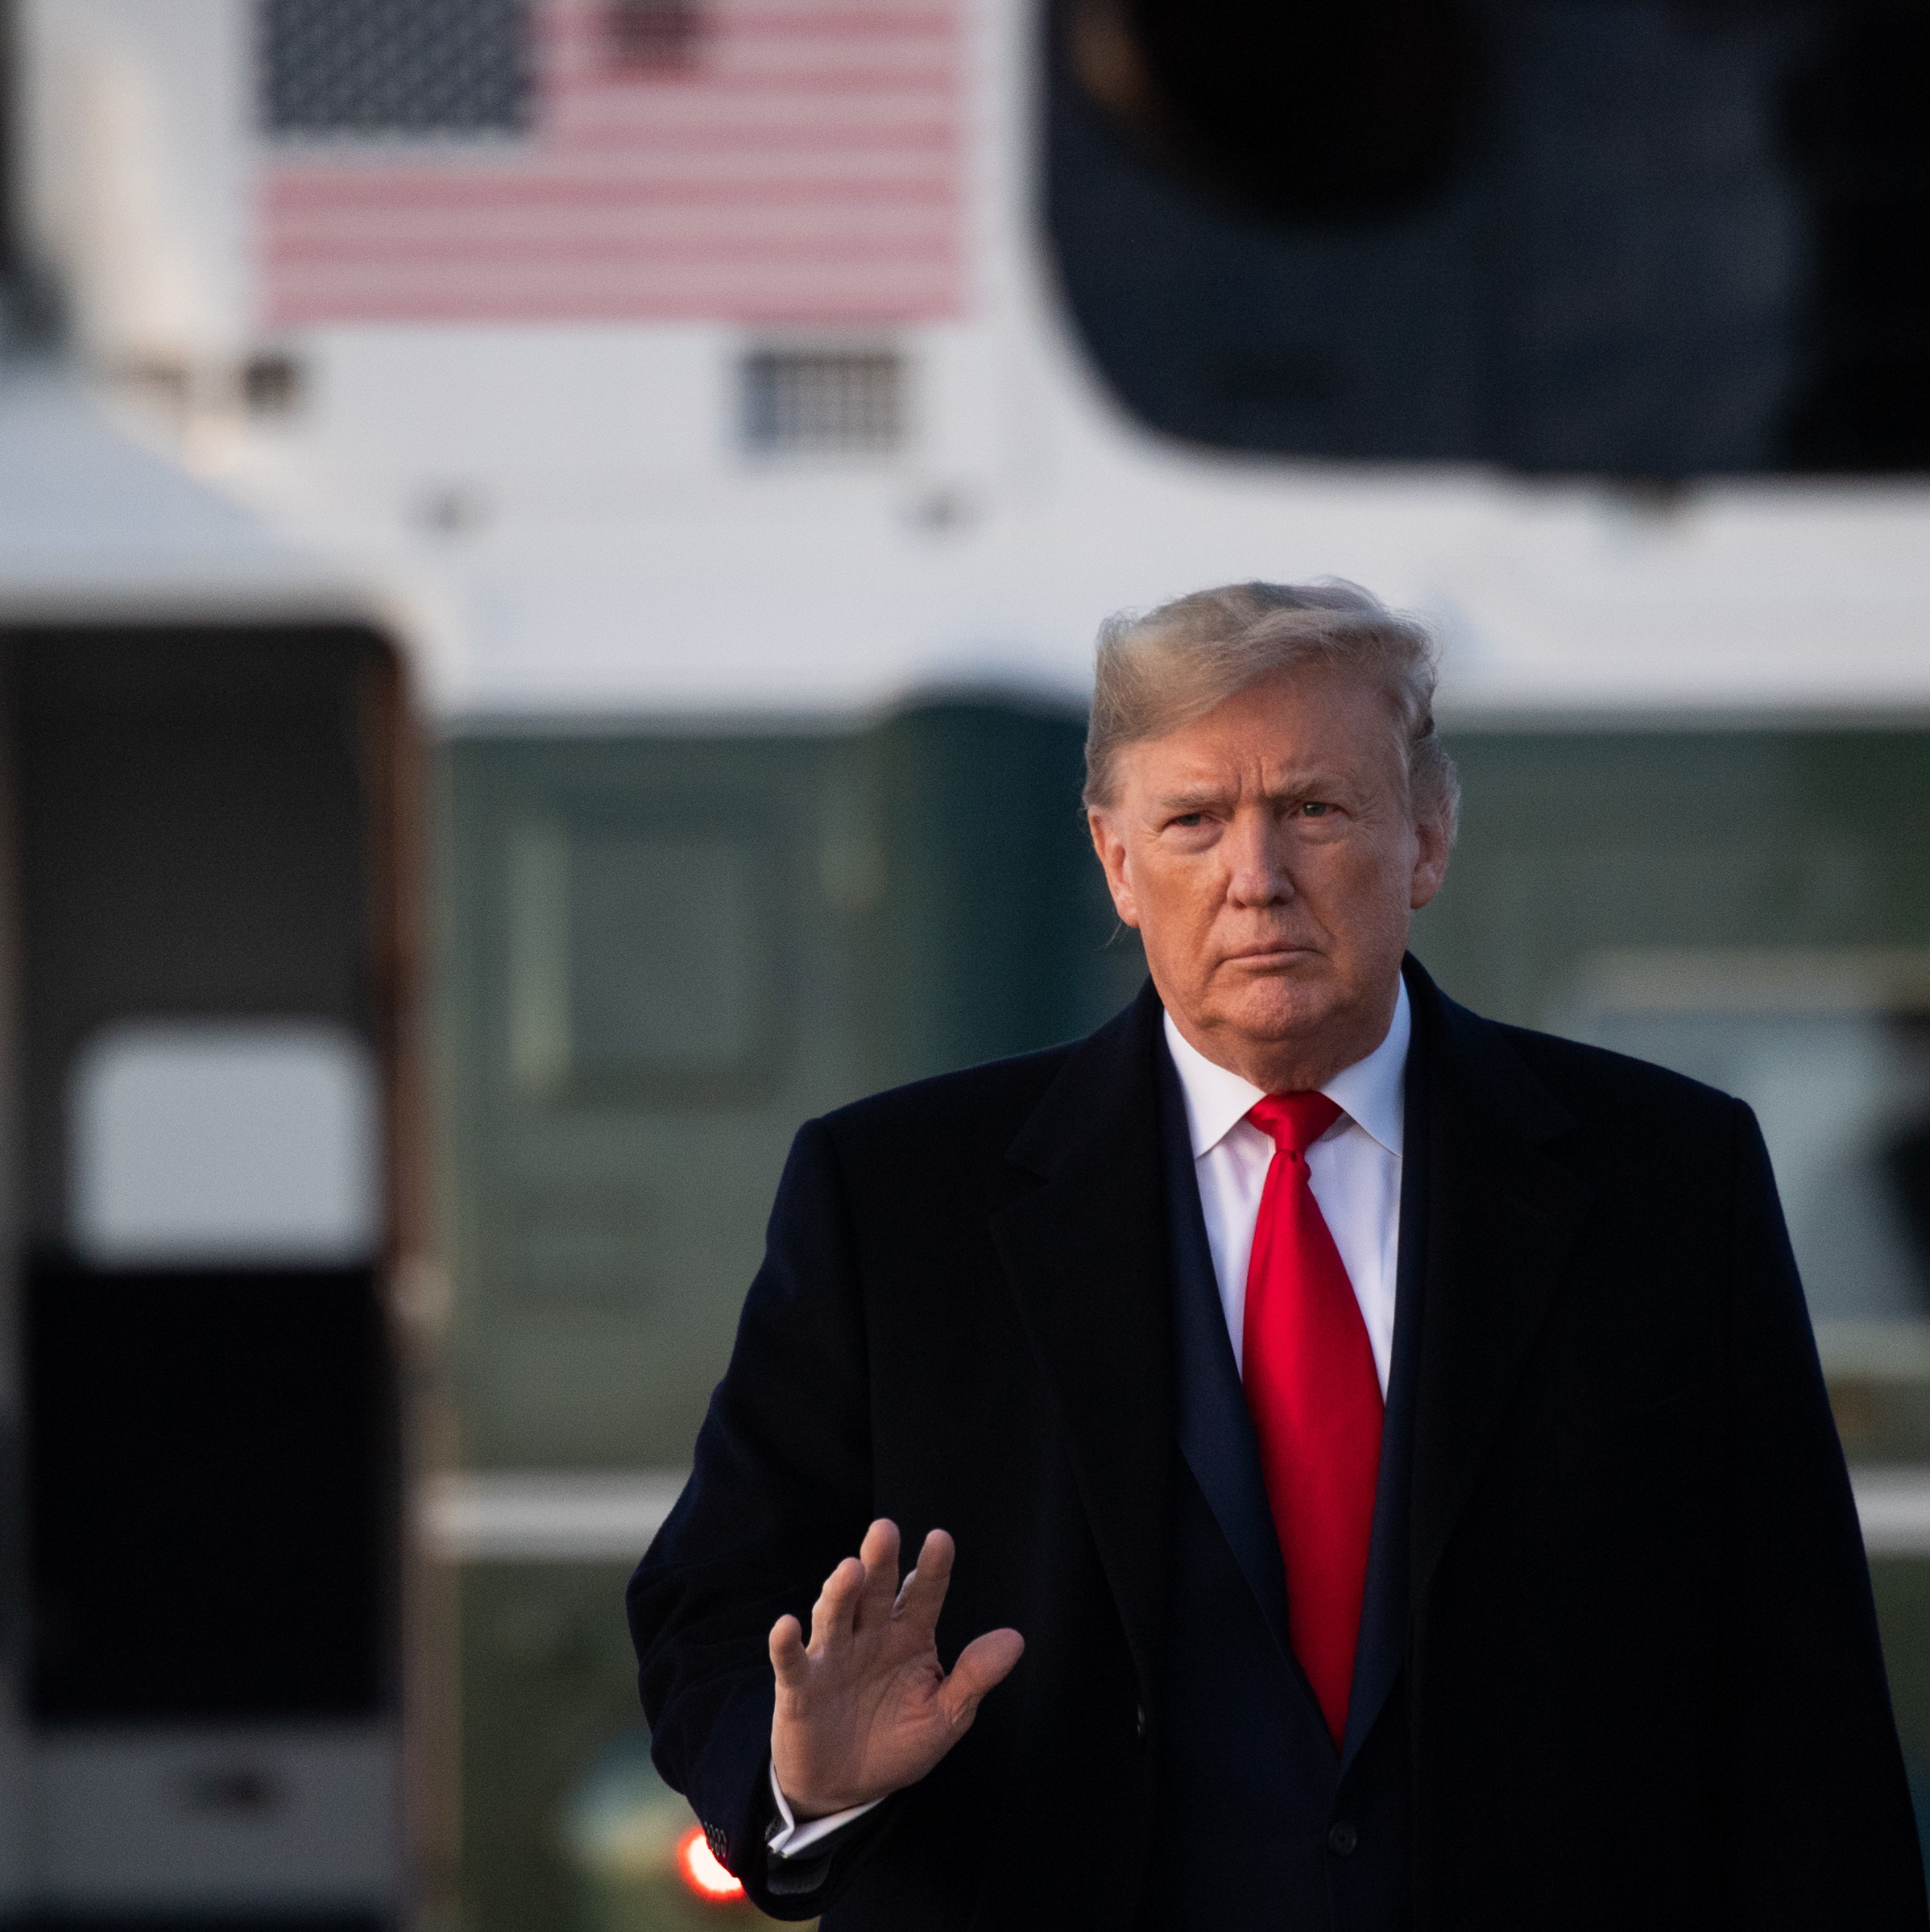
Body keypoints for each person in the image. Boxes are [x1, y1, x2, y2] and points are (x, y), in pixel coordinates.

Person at [627, 580, 1928, 1929]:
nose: (1257, 877)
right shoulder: (892, 1197)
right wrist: (802, 1779)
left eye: (1313, 808)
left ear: (1426, 839)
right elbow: (712, 1604)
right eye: (1194, 821)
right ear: (1118, 864)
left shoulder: (1670, 1178)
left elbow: (1802, 1703)